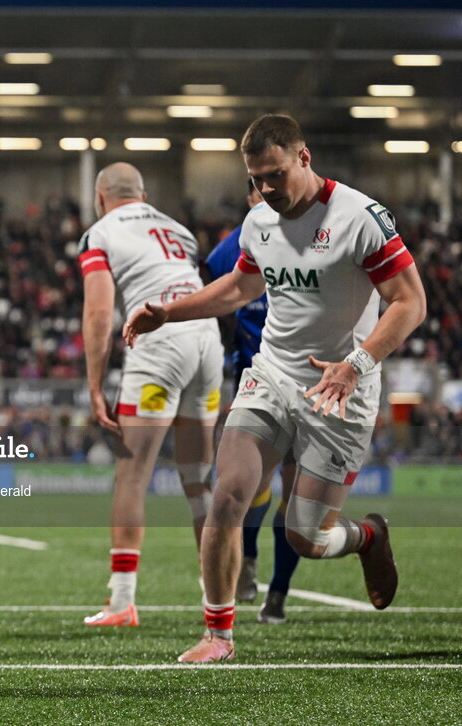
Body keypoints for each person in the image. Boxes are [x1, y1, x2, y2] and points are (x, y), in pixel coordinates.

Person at [124, 113, 426, 662]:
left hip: (342, 391)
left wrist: (355, 363)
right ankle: (219, 636)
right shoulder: (259, 220)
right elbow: (239, 286)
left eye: (276, 174)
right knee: (227, 496)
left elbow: (411, 302)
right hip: (272, 376)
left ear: (304, 158)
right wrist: (168, 313)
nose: (266, 189)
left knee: (305, 539)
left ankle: (369, 538)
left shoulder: (359, 217)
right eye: (257, 178)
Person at [80, 162, 223, 627]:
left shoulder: (100, 233)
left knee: (133, 476)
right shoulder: (180, 231)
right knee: (198, 479)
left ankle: (122, 603)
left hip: (159, 342)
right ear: (141, 193)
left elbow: (100, 314)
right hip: (206, 340)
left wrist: (96, 384)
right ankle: (215, 596)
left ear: (101, 196)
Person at [205, 180, 301, 624]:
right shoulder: (232, 249)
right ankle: (249, 562)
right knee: (248, 487)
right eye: (260, 192)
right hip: (257, 381)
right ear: (249, 199)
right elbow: (217, 300)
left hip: (311, 383)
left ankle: (278, 593)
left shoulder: (318, 235)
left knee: (295, 496)